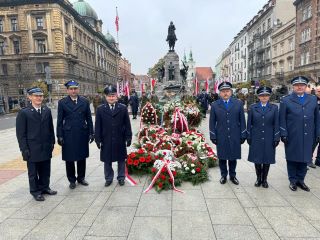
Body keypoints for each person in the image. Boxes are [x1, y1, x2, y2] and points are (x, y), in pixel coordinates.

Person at [280, 76, 320, 192]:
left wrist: (317, 132)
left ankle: (301, 180)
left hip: (308, 135)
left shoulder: (312, 99)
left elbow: (317, 118)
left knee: (305, 158)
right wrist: (284, 133)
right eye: (297, 85)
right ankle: (292, 181)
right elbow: (282, 118)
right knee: (292, 158)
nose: (299, 87)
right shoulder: (286, 100)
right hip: (292, 134)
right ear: (293, 86)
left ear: (306, 86)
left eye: (302, 85)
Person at [16, 87, 57, 201]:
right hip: (32, 148)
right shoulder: (24, 112)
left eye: (40, 96)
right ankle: (35, 191)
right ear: (30, 97)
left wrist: (52, 142)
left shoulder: (46, 110)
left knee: (45, 169)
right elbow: (21, 134)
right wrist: (24, 149)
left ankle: (45, 187)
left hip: (45, 146)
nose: (39, 98)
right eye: (36, 96)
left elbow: (50, 128)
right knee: (33, 172)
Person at [57, 80, 94, 189]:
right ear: (68, 90)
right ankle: (72, 179)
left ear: (78, 89)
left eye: (75, 88)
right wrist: (59, 135)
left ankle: (81, 178)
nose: (73, 91)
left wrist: (91, 132)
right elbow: (59, 121)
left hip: (82, 133)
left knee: (82, 157)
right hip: (68, 134)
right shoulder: (62, 103)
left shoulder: (84, 101)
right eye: (71, 89)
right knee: (69, 158)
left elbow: (89, 119)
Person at [209, 82, 247, 185]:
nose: (225, 93)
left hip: (235, 134)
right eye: (223, 91)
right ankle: (223, 175)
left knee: (233, 156)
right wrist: (213, 135)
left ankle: (233, 175)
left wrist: (243, 134)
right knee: (222, 156)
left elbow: (242, 120)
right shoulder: (215, 105)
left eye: (227, 91)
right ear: (220, 93)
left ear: (231, 92)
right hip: (221, 134)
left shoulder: (238, 103)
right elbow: (212, 122)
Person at [95, 85, 132, 186]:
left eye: (113, 96)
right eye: (109, 96)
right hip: (106, 138)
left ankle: (121, 177)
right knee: (107, 159)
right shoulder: (100, 109)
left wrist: (129, 137)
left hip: (120, 137)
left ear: (116, 96)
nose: (111, 98)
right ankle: (108, 178)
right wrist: (97, 139)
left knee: (121, 158)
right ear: (105, 97)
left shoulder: (123, 108)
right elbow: (98, 125)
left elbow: (127, 124)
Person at [247, 86, 280, 188]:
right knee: (257, 159)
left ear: (269, 96)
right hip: (256, 136)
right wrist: (249, 136)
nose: (264, 97)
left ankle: (264, 179)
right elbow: (249, 123)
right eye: (262, 95)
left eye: (266, 95)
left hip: (269, 137)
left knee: (267, 159)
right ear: (259, 97)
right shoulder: (253, 107)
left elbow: (276, 124)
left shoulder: (274, 108)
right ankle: (258, 178)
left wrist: (276, 138)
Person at [312, 85, 320, 167]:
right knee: (313, 143)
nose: (319, 93)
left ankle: (318, 161)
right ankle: (308, 160)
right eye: (318, 91)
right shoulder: (312, 100)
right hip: (313, 125)